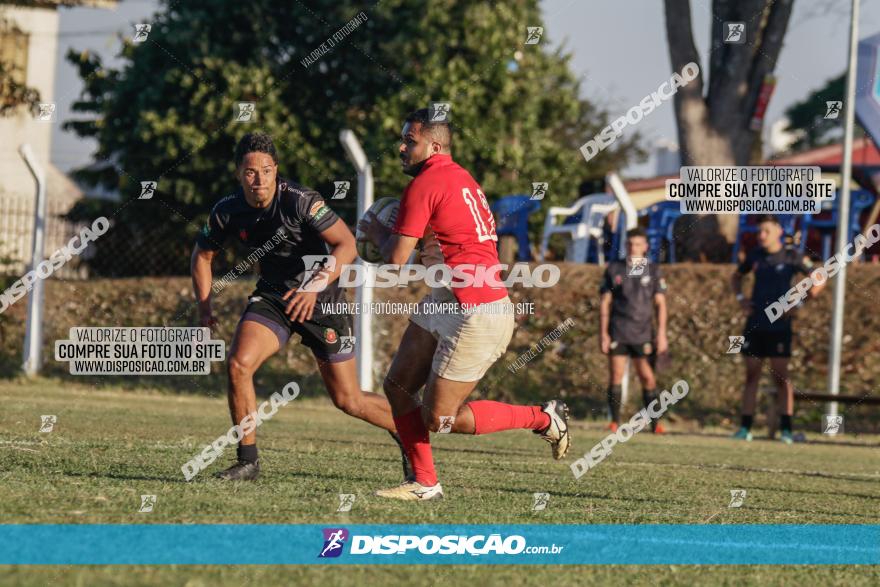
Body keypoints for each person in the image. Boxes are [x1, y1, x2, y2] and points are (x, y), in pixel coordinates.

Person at [358, 108, 571, 501]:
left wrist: (375, 230)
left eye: (410, 141)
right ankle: (425, 484)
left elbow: (394, 260)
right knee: (397, 386)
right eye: (403, 139)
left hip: (477, 310)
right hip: (448, 298)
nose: (402, 147)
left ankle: (542, 417)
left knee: (438, 419)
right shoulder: (459, 177)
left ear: (434, 146)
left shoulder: (427, 182)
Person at [191, 132, 408, 480]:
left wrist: (313, 287)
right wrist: (204, 307)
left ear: (276, 170)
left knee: (348, 401)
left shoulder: (300, 200)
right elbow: (202, 256)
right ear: (238, 174)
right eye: (250, 172)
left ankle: (409, 435)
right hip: (274, 298)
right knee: (238, 364)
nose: (259, 178)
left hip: (322, 301)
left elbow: (347, 244)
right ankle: (248, 461)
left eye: (266, 170)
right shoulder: (226, 210)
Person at [730, 215, 825, 443]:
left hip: (779, 326)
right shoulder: (755, 256)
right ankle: (745, 428)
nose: (761, 236)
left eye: (766, 231)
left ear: (778, 232)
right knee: (751, 375)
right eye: (759, 232)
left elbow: (819, 278)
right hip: (755, 324)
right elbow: (736, 277)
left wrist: (799, 304)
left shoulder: (792, 256)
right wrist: (742, 298)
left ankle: (786, 429)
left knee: (781, 377)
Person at [599, 228, 669, 433]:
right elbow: (605, 302)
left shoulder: (654, 270)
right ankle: (615, 421)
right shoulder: (614, 268)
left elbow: (661, 304)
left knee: (647, 377)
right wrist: (603, 333)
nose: (633, 248)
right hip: (618, 331)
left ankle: (655, 423)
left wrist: (662, 334)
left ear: (645, 247)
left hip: (643, 333)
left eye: (638, 244)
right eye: (630, 244)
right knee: (616, 376)